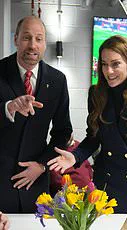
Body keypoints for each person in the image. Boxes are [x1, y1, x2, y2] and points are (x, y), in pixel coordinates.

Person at [47, 35, 127, 214]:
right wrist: (75, 157)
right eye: (103, 64)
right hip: (106, 181)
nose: (108, 71)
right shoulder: (96, 94)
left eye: (115, 64)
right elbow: (94, 137)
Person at [0, 16, 72, 213]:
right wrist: (9, 108)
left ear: (44, 43)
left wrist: (42, 165)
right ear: (15, 39)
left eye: (38, 39)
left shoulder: (58, 80)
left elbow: (63, 132)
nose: (32, 45)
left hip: (37, 181)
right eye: (26, 38)